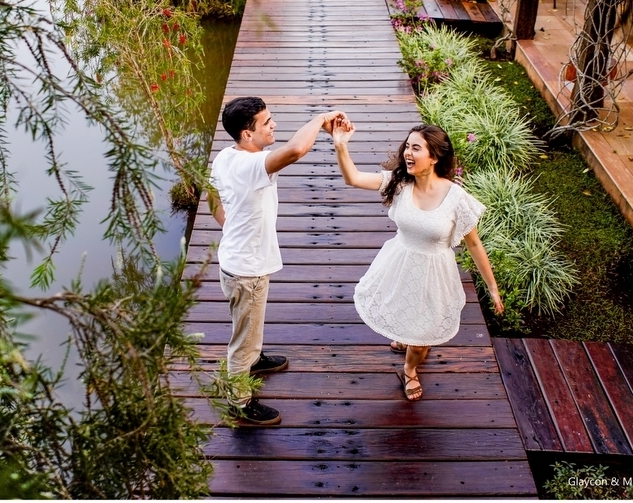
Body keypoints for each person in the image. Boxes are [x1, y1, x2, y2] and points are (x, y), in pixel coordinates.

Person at [330, 120, 504, 401]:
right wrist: (340, 144)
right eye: (407, 147)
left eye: (416, 148)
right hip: (399, 263)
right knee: (404, 312)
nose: (407, 153)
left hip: (434, 273)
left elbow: (473, 243)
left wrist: (492, 287)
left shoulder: (456, 197)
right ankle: (406, 342)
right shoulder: (400, 183)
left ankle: (409, 368)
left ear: (434, 157)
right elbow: (354, 178)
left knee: (422, 339)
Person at [208, 96, 345, 424]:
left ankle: (254, 360)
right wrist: (320, 118)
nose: (274, 126)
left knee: (249, 327)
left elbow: (212, 196)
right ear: (246, 134)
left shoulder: (225, 157)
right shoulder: (250, 164)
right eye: (266, 123)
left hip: (237, 259)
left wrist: (232, 227)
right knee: (242, 339)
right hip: (247, 270)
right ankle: (240, 402)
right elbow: (296, 151)